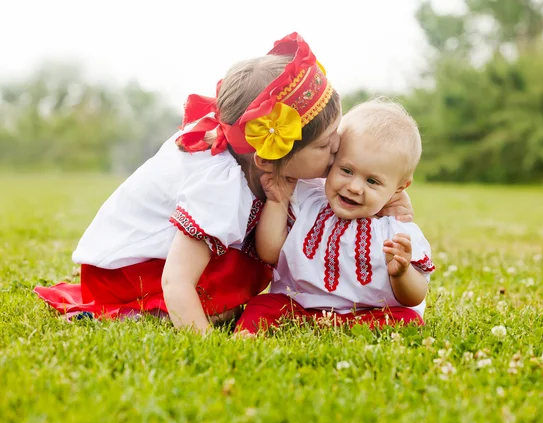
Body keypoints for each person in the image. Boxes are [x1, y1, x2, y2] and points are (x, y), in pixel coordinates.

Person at [34, 34, 412, 334]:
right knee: (230, 279)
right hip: (125, 275)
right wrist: (206, 344)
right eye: (327, 146)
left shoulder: (257, 161)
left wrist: (388, 208)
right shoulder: (219, 187)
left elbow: (324, 205)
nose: (338, 151)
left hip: (156, 263)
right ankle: (136, 313)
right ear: (270, 157)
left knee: (241, 269)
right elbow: (177, 279)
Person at [236, 98, 435, 334]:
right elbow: (269, 252)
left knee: (408, 319)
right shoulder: (308, 200)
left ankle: (357, 331)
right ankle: (246, 337)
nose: (354, 187)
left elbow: (415, 296)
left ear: (399, 188)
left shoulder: (397, 231)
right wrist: (277, 201)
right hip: (298, 307)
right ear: (332, 162)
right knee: (262, 305)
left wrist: (401, 273)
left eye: (372, 181)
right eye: (346, 170)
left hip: (364, 314)